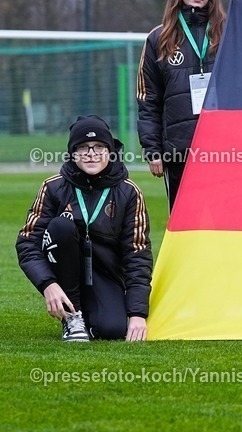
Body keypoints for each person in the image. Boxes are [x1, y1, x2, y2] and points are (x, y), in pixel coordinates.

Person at [16, 115, 152, 342]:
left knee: (111, 330)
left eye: (99, 147)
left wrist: (137, 313)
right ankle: (73, 317)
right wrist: (48, 284)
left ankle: (91, 313)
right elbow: (27, 242)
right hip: (64, 270)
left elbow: (137, 255)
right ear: (73, 152)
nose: (91, 154)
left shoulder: (129, 192)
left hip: (105, 273)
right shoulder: (53, 187)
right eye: (83, 147)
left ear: (110, 151)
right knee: (61, 226)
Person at [137, 0, 227, 210]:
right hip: (179, 151)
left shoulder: (228, 33)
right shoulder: (159, 38)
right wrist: (152, 149)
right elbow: (148, 100)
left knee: (225, 223)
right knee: (186, 224)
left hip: (224, 150)